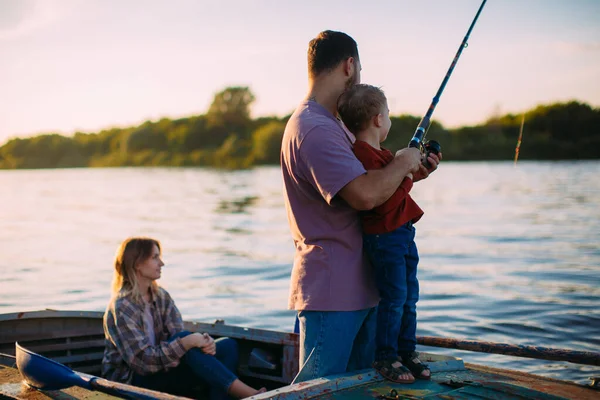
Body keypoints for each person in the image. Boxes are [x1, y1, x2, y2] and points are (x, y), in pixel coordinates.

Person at [280, 30, 441, 382]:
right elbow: (364, 195)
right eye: (361, 69)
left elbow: (373, 187)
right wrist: (401, 163)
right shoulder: (314, 128)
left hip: (363, 287)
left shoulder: (335, 127)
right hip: (335, 293)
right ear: (350, 66)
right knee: (318, 391)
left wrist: (412, 173)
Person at [338, 84, 439, 383]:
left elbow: (395, 183)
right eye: (389, 114)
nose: (390, 120)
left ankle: (406, 350)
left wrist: (415, 169)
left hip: (403, 234)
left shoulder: (380, 155)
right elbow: (382, 200)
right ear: (379, 120)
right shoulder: (362, 155)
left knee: (410, 296)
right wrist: (404, 171)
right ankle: (385, 356)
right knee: (394, 297)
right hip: (386, 237)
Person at [101, 237, 265, 399]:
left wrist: (204, 343)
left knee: (228, 345)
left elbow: (178, 336)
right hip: (130, 384)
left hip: (164, 369)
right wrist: (188, 342)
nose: (162, 263)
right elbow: (144, 363)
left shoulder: (161, 297)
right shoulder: (122, 307)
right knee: (186, 341)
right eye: (155, 257)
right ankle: (249, 395)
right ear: (137, 264)